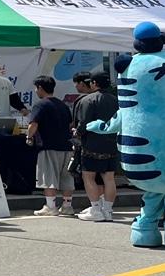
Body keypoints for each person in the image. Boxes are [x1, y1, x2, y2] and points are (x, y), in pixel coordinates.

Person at [27, 76, 75, 218]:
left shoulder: (40, 105)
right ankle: (67, 206)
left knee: (48, 176)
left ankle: (51, 206)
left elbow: (33, 124)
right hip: (66, 146)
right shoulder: (63, 105)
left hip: (48, 146)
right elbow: (70, 125)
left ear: (40, 88)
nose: (36, 91)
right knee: (66, 177)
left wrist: (29, 137)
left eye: (36, 88)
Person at [74, 70, 119, 222]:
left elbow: (83, 123)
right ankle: (108, 210)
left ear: (94, 83)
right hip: (112, 143)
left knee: (89, 177)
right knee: (109, 178)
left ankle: (95, 209)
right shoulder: (115, 100)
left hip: (92, 143)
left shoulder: (88, 100)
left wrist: (77, 133)